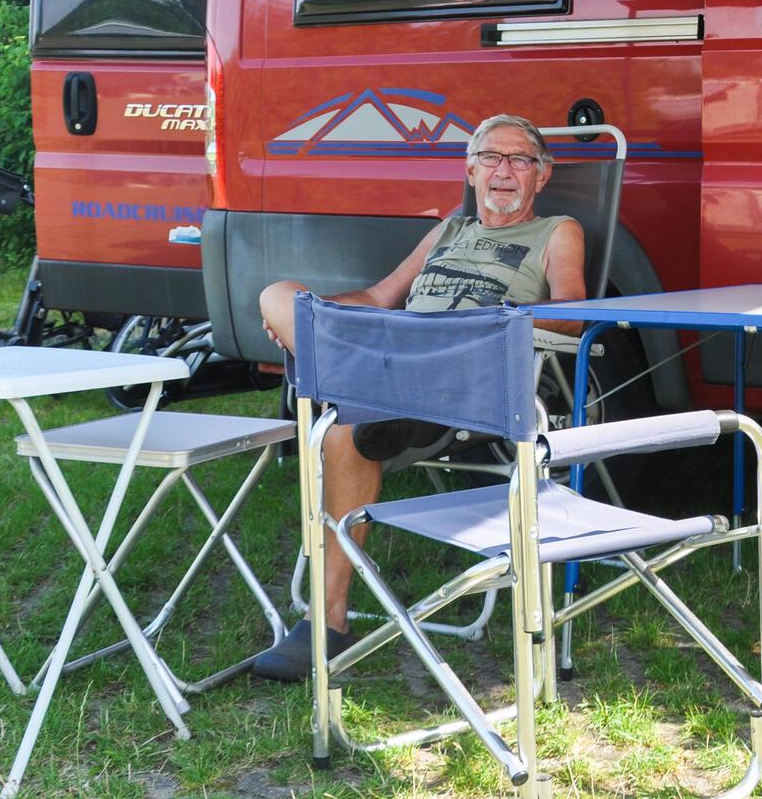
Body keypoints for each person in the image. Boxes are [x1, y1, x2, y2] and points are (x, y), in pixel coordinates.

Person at [249, 113, 586, 681]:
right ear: (471, 169)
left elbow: (572, 313)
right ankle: (338, 363)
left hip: (472, 375)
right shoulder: (447, 230)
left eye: (520, 160)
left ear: (541, 176)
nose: (504, 171)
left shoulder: (557, 231)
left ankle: (328, 620)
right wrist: (317, 311)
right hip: (396, 351)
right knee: (279, 294)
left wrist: (492, 324)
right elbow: (381, 296)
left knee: (340, 429)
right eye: (491, 159)